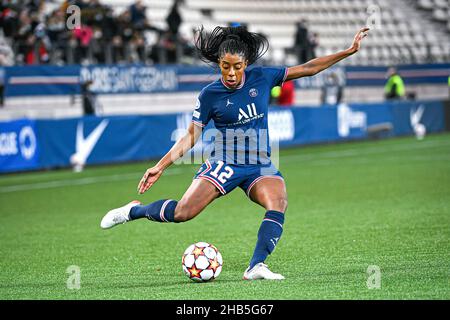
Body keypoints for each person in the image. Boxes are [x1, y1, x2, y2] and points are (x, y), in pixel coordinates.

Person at [100, 25, 369, 280]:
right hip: (225, 163)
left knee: (278, 203)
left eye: (237, 67)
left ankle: (256, 266)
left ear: (246, 64)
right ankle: (132, 212)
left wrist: (347, 51)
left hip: (259, 165)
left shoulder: (263, 77)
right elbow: (191, 136)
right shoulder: (210, 95)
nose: (230, 73)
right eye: (225, 66)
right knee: (183, 213)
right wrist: (160, 166)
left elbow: (309, 68)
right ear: (219, 63)